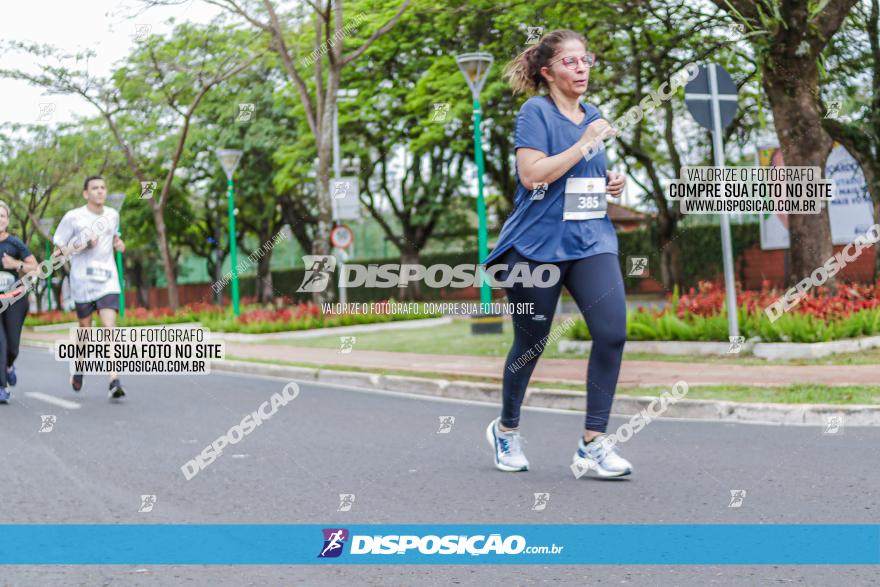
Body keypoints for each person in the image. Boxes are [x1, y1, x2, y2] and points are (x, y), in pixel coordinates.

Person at [483, 30, 632, 478]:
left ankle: (593, 442)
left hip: (591, 240)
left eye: (586, 59)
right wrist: (585, 143)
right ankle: (506, 430)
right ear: (548, 72)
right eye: (571, 62)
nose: (582, 68)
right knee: (531, 342)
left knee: (612, 333)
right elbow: (533, 176)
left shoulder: (595, 114)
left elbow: (583, 174)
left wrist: (611, 180)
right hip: (537, 246)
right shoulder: (535, 113)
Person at [52, 176, 126, 399]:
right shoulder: (73, 217)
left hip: (108, 280)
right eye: (94, 188)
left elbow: (114, 238)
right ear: (86, 193)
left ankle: (114, 379)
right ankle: (80, 366)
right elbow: (58, 252)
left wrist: (119, 244)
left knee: (108, 327)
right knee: (86, 331)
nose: (100, 191)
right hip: (82, 281)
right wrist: (82, 244)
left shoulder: (113, 214)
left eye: (103, 187)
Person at [0, 202, 39, 403]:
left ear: (7, 220)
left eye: (2, 216)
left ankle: (9, 365)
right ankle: (2, 387)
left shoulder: (15, 244)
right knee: (0, 343)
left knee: (12, 346)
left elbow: (36, 268)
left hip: (15, 300)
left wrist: (16, 264)